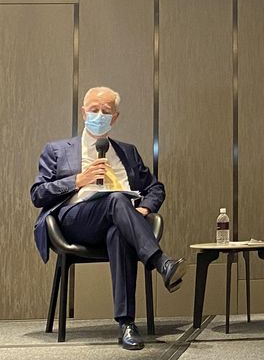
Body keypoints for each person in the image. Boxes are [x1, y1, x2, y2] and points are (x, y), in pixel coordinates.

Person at [31, 87, 186, 350]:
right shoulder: (57, 150)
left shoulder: (127, 152)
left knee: (119, 231)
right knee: (116, 199)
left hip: (120, 221)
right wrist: (78, 180)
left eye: (106, 111)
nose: (99, 115)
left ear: (115, 117)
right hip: (75, 221)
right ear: (83, 113)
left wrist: (143, 210)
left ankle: (126, 325)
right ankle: (161, 262)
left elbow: (155, 188)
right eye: (94, 110)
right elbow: (38, 194)